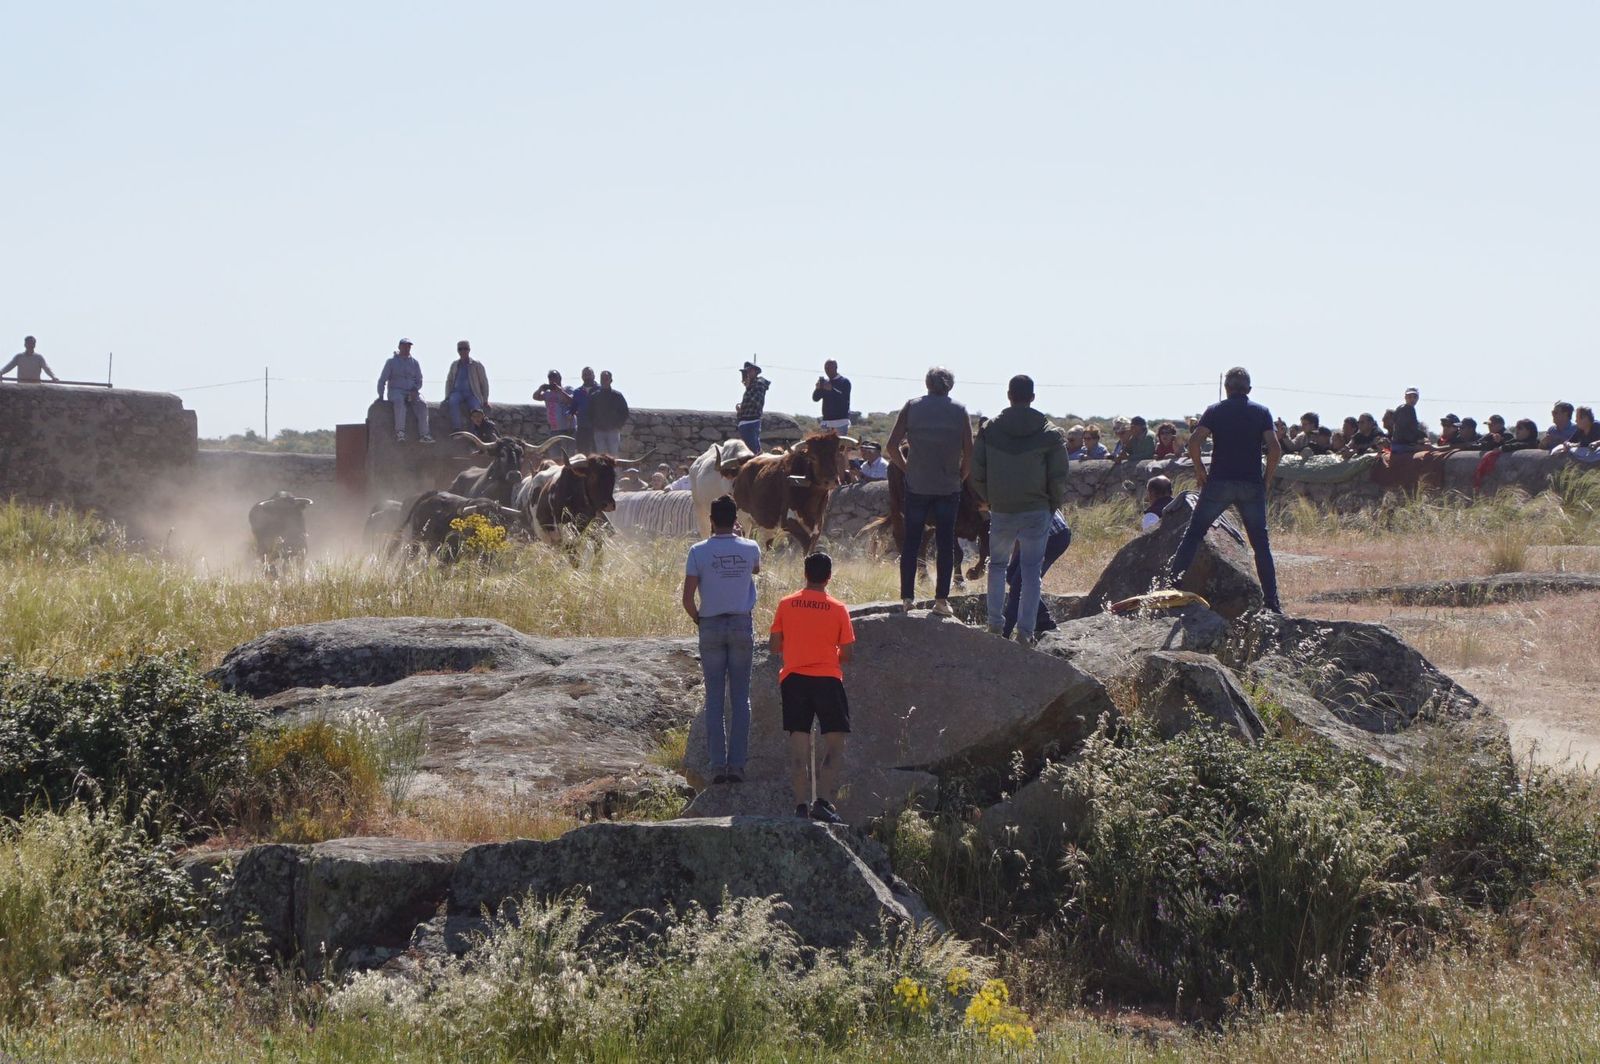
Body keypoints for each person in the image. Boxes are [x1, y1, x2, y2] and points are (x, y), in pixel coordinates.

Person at [1167, 366, 1283, 613]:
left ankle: (1172, 588)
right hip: (1251, 483)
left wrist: (1200, 470)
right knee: (1261, 545)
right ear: (1249, 390)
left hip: (1219, 482)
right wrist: (1267, 479)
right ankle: (1272, 602)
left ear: (1226, 389)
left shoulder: (1215, 411)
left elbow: (1194, 442)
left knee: (1194, 533)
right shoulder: (1262, 412)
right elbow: (1274, 448)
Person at [972, 374, 1069, 645]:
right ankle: (1025, 632)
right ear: (1033, 397)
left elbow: (976, 471)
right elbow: (1059, 475)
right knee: (1030, 571)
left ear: (1008, 395)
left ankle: (994, 623)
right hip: (1037, 510)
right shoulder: (1049, 432)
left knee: (998, 566)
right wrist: (1052, 504)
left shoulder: (990, 430)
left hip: (1002, 509)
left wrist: (990, 499)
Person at [769, 551, 855, 824]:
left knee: (799, 748)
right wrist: (829, 655)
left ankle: (800, 806)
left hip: (794, 680)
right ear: (829, 577)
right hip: (827, 680)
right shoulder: (838, 608)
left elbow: (773, 646)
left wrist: (795, 648)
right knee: (835, 743)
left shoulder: (786, 604)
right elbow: (849, 653)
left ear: (805, 574)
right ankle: (823, 801)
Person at [682, 495, 761, 786]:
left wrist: (699, 620)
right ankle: (737, 766)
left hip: (711, 625)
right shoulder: (750, 547)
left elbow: (688, 599)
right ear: (735, 520)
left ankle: (717, 766)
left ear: (711, 521)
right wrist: (739, 537)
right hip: (741, 623)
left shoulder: (697, 551)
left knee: (714, 698)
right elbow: (756, 569)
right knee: (741, 698)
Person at [887, 366, 973, 617]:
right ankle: (941, 600)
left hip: (917, 485)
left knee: (912, 542)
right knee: (946, 542)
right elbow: (969, 452)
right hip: (948, 486)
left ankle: (907, 598)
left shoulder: (912, 406)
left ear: (927, 384)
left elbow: (892, 446)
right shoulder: (959, 410)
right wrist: (961, 476)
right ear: (950, 386)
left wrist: (907, 470)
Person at [1001, 510, 1071, 638]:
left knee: (1019, 585)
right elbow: (1019, 534)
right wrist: (1014, 566)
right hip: (1034, 536)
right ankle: (1042, 619)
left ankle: (1003, 633)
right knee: (1012, 576)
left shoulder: (1006, 497)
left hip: (1053, 537)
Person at [376, 338, 434, 443]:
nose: (407, 348)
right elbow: (382, 380)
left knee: (422, 404)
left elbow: (419, 380)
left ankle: (425, 435)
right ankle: (400, 432)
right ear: (399, 347)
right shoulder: (391, 362)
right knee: (399, 402)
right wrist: (380, 396)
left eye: (409, 346)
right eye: (404, 346)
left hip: (411, 391)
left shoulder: (415, 363)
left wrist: (415, 390)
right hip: (396, 391)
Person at [442, 340, 490, 432]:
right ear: (458, 351)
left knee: (476, 408)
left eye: (465, 349)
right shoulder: (455, 365)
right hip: (457, 392)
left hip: (472, 393)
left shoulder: (476, 365)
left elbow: (484, 382)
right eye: (460, 349)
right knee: (452, 401)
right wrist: (447, 396)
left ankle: (474, 432)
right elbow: (449, 381)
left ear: (469, 350)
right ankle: (457, 428)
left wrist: (485, 399)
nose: (463, 351)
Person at [589, 370, 630, 456]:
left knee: (614, 456)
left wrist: (618, 426)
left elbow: (625, 412)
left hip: (613, 431)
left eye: (606, 379)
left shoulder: (617, 396)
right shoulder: (594, 396)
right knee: (601, 456)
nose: (604, 381)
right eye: (602, 379)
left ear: (611, 380)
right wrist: (594, 426)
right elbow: (590, 412)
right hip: (599, 431)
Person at [736, 361, 769, 453]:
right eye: (746, 372)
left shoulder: (758, 384)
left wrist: (749, 386)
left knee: (752, 452)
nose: (747, 374)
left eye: (749, 371)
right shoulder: (751, 387)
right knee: (749, 451)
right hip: (746, 422)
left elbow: (757, 402)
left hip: (751, 422)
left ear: (755, 372)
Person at [813, 360, 852, 434]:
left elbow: (844, 400)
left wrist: (831, 390)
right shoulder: (825, 383)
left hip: (841, 422)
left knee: (839, 445)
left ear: (836, 368)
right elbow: (815, 398)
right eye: (826, 368)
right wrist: (817, 389)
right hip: (826, 422)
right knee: (824, 445)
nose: (827, 370)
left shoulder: (844, 382)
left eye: (830, 368)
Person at [568, 367, 599, 454]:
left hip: (596, 428)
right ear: (582, 377)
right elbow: (573, 407)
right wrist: (569, 414)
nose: (587, 377)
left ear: (594, 375)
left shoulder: (600, 390)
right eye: (585, 375)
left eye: (589, 374)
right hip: (582, 428)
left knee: (595, 454)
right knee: (581, 453)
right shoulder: (577, 391)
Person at [533, 370, 573, 435]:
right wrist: (540, 389)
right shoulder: (547, 393)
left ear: (560, 378)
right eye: (550, 378)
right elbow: (535, 397)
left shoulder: (567, 389)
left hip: (568, 428)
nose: (552, 380)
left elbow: (572, 401)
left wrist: (560, 391)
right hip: (554, 428)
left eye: (554, 377)